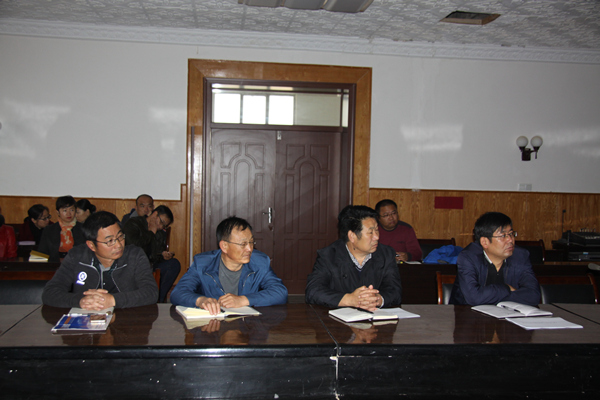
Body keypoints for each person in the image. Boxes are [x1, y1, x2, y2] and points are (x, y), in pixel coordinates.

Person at [170, 216, 288, 314]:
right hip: (213, 326)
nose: (249, 248)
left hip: (248, 327)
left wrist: (243, 300)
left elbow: (280, 292)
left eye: (251, 242)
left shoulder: (259, 262)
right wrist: (200, 300)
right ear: (224, 246)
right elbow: (178, 293)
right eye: (243, 244)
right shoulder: (203, 264)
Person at [42, 211, 158, 310]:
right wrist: (80, 300)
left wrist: (113, 300)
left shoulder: (135, 255)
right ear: (91, 245)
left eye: (120, 237)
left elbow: (151, 292)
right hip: (86, 322)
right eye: (109, 241)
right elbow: (50, 292)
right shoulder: (77, 256)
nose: (118, 245)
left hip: (126, 321)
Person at [305, 205, 402, 311]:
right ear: (352, 236)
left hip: (375, 317)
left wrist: (377, 299)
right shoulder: (328, 256)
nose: (377, 237)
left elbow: (395, 291)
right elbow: (313, 292)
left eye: (377, 230)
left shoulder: (386, 254)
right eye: (370, 232)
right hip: (337, 319)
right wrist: (350, 299)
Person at [449, 212, 540, 306]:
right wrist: (506, 288)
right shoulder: (469, 257)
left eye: (511, 233)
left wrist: (493, 298)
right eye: (503, 236)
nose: (510, 240)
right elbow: (474, 298)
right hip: (468, 313)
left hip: (507, 314)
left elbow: (534, 296)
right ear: (485, 242)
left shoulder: (520, 256)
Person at [123, 205, 180, 303]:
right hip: (134, 264)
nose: (161, 227)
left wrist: (162, 255)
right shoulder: (134, 223)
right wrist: (151, 233)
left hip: (151, 264)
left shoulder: (159, 232)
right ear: (155, 214)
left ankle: (158, 299)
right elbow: (134, 247)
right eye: (161, 222)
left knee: (174, 264)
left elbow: (154, 255)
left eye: (164, 226)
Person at [38, 195, 85, 262]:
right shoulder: (49, 230)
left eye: (71, 210)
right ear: (58, 212)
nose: (68, 214)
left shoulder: (83, 229)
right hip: (54, 264)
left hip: (77, 265)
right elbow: (42, 253)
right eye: (65, 210)